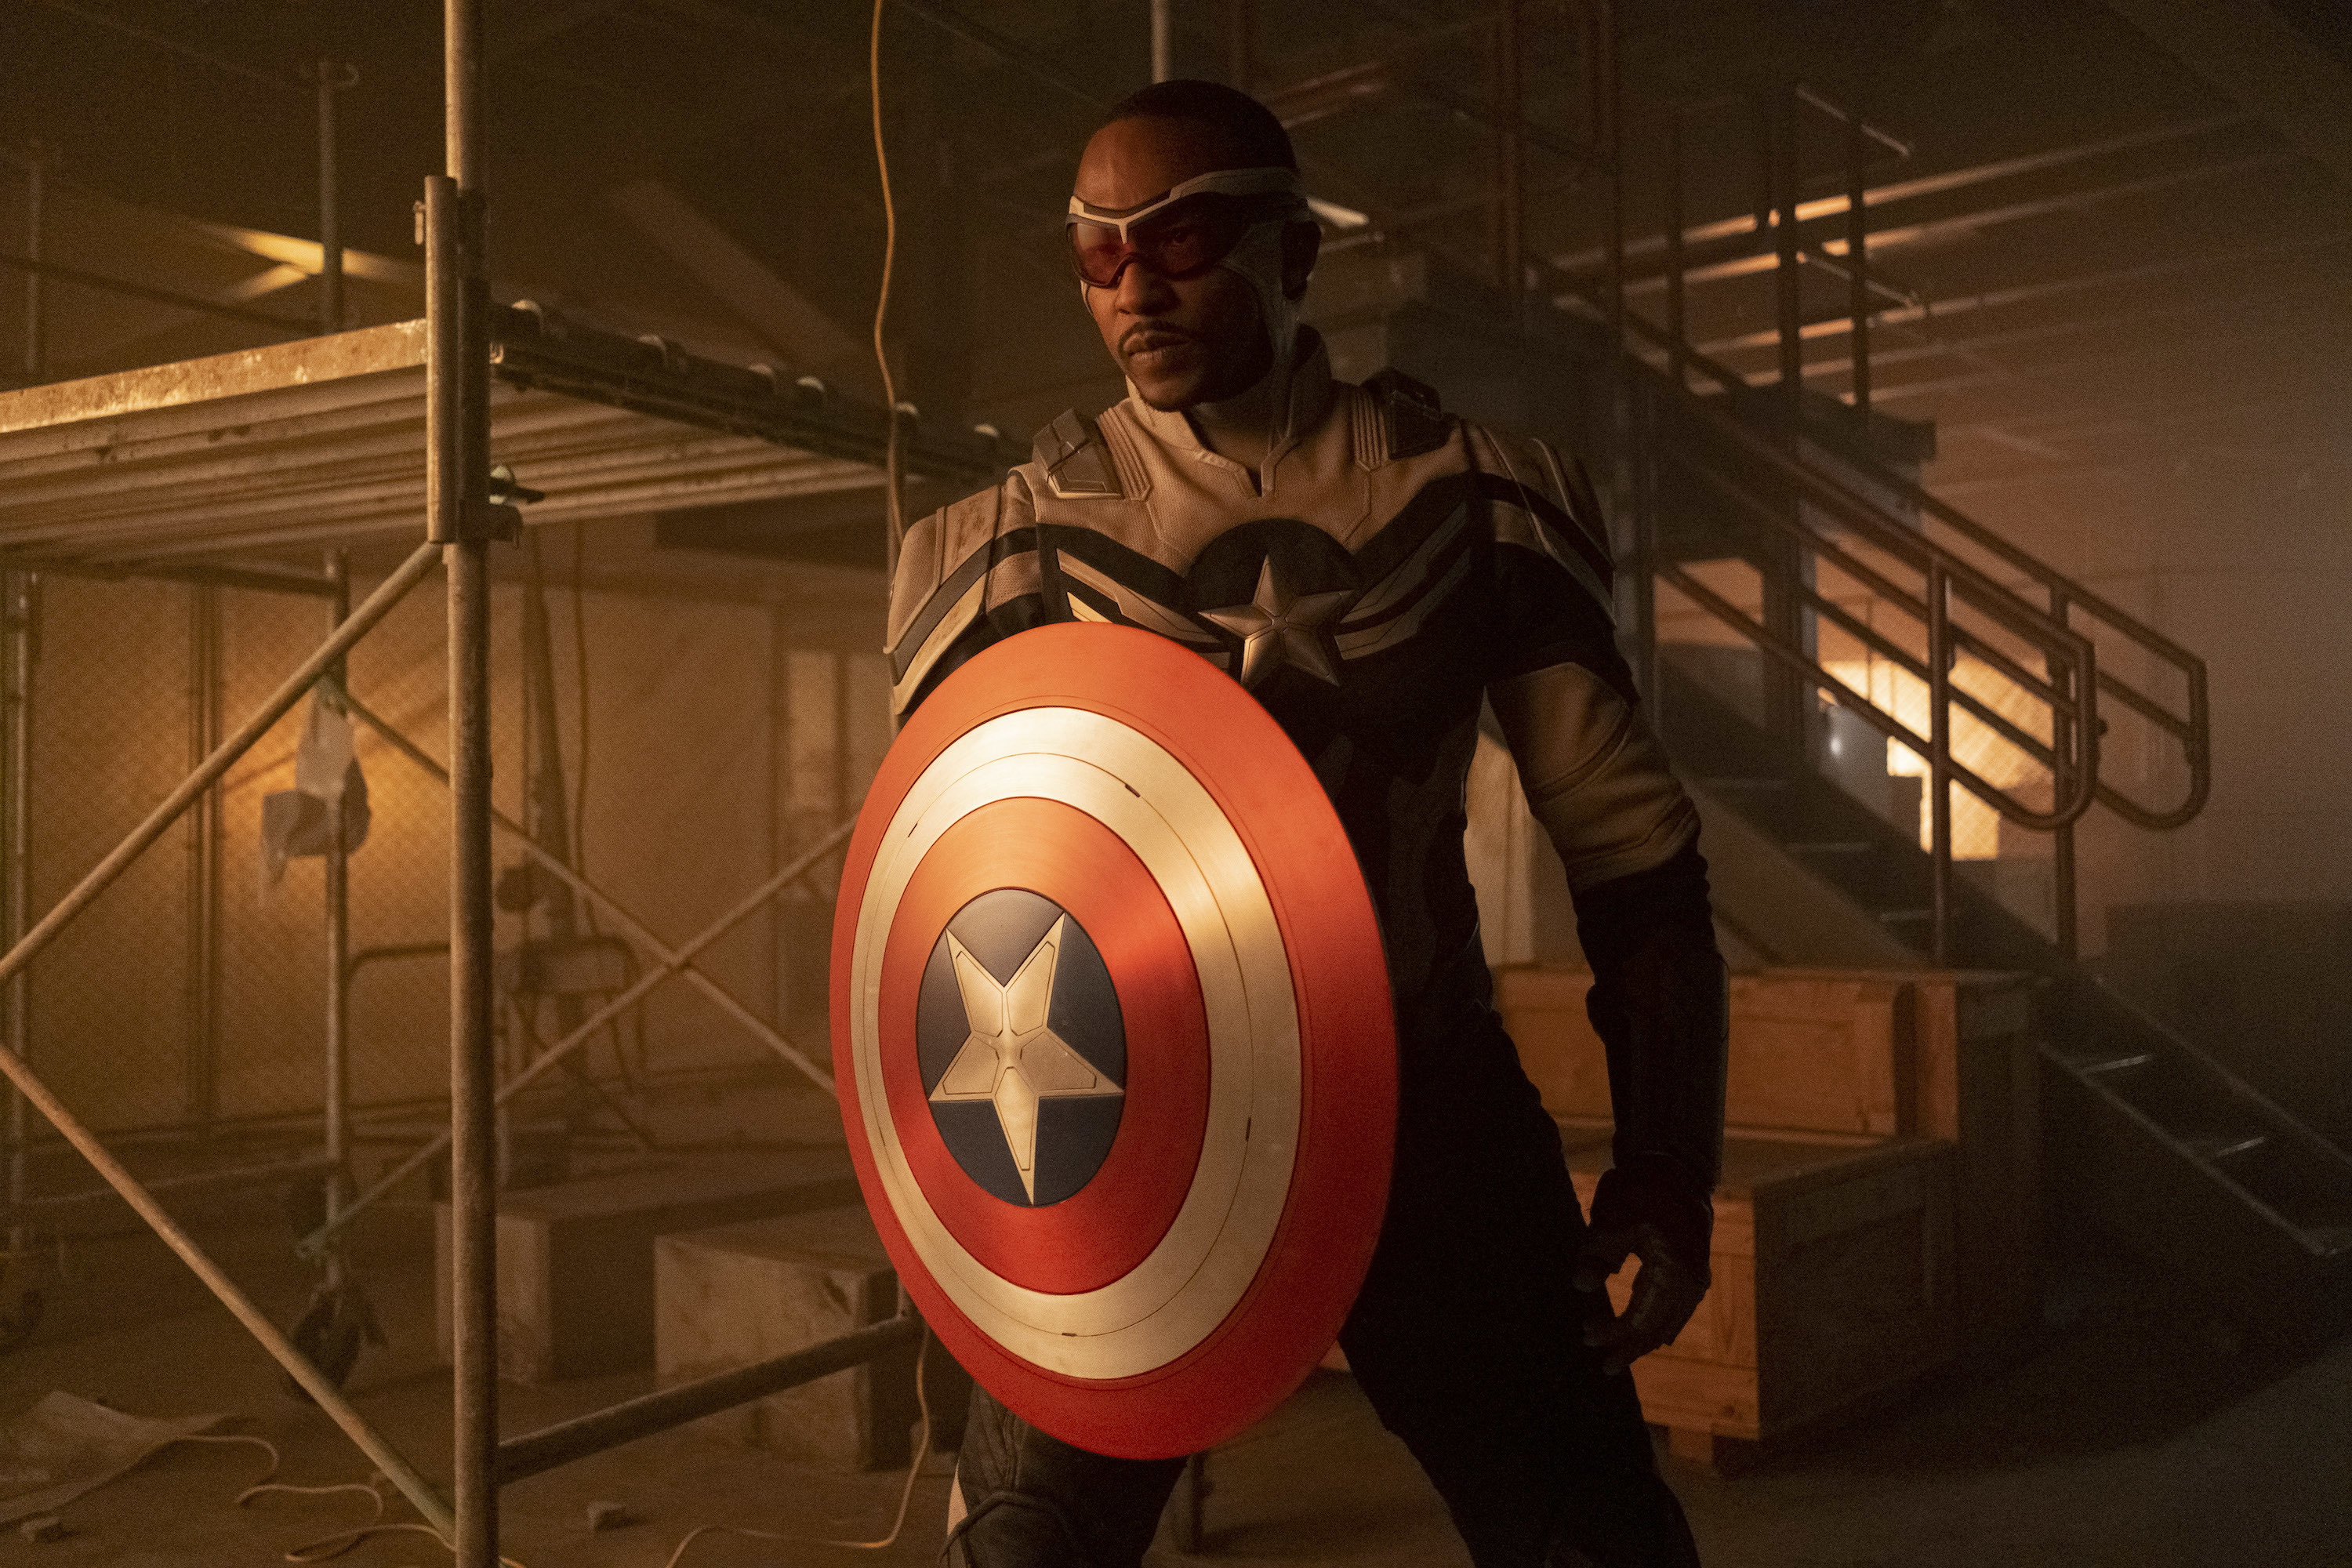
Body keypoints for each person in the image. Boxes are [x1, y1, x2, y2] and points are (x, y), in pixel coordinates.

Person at [885, 78, 1727, 1568]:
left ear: (1293, 250)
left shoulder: (1476, 498)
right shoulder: (1013, 543)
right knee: (1026, 1547)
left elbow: (1632, 858)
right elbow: (940, 911)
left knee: (1591, 1544)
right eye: (1097, 252)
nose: (1136, 287)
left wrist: (1668, 1165)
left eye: (1179, 238)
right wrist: (977, 1209)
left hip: (1425, 1109)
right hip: (1127, 1131)